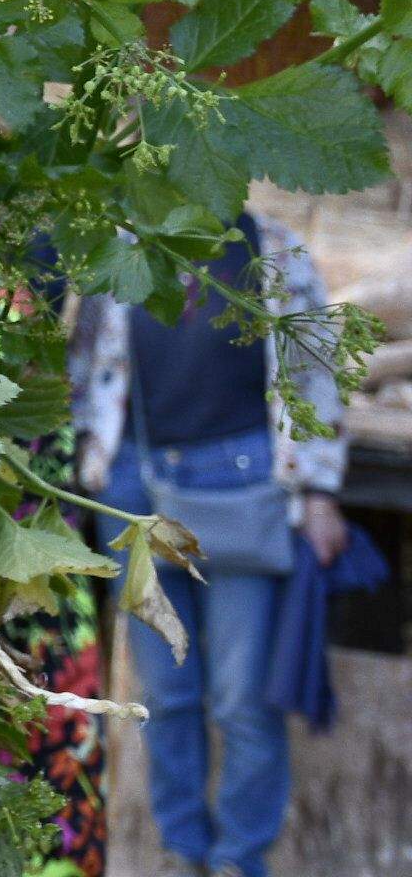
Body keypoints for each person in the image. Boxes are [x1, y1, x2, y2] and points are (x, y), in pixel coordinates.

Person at [72, 214, 349, 877]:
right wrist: (90, 458)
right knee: (165, 693)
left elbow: (314, 369)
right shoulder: (123, 241)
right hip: (135, 482)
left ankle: (238, 861)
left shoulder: (273, 248)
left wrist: (318, 490)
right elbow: (88, 359)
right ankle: (180, 852)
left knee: (241, 698)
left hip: (244, 483)